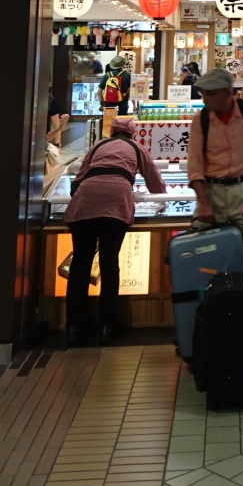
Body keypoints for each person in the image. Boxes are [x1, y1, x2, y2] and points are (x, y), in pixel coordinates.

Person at [63, 116, 166, 345]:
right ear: (132, 133)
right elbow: (155, 181)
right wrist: (163, 199)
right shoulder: (137, 148)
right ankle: (107, 327)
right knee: (109, 265)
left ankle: (75, 327)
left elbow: (79, 177)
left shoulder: (98, 146)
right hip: (116, 202)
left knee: (80, 264)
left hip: (86, 199)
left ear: (111, 132)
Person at [187, 68, 243, 279]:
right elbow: (195, 164)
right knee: (199, 255)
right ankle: (203, 297)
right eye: (203, 94)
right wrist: (203, 203)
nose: (204, 99)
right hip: (211, 192)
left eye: (209, 94)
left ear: (226, 93)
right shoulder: (201, 119)